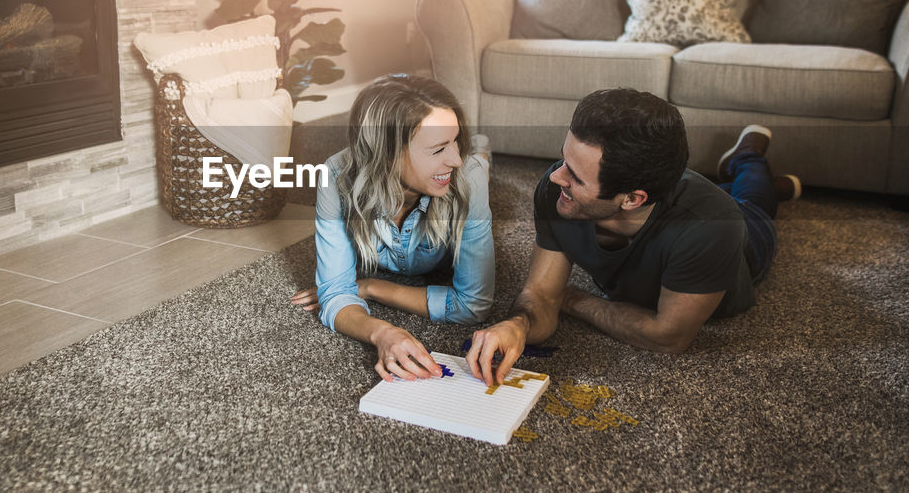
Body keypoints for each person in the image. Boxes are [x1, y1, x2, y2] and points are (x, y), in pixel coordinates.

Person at [466, 87, 800, 385]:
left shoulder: (713, 227)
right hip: (678, 196)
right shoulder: (558, 190)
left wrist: (569, 298)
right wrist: (518, 325)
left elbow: (668, 337)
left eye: (576, 177)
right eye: (564, 160)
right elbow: (539, 293)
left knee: (752, 201)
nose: (556, 177)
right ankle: (770, 181)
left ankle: (748, 156)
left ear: (632, 199)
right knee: (732, 195)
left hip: (746, 236)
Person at [292, 74, 494, 382]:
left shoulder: (467, 175)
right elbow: (334, 295)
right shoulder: (333, 176)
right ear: (386, 154)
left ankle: (480, 150)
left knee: (476, 166)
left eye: (455, 141)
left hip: (475, 175)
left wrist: (372, 287)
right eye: (439, 148)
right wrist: (381, 332)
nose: (454, 157)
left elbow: (472, 305)